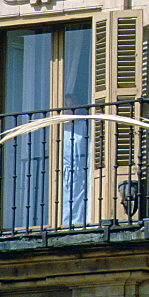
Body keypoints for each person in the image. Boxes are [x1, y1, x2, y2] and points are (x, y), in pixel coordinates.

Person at [61, 94, 89, 225]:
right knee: (64, 199)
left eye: (70, 105)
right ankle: (63, 224)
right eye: (65, 105)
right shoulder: (57, 130)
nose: (68, 108)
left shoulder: (82, 125)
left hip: (80, 169)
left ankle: (77, 223)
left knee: (79, 198)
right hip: (63, 170)